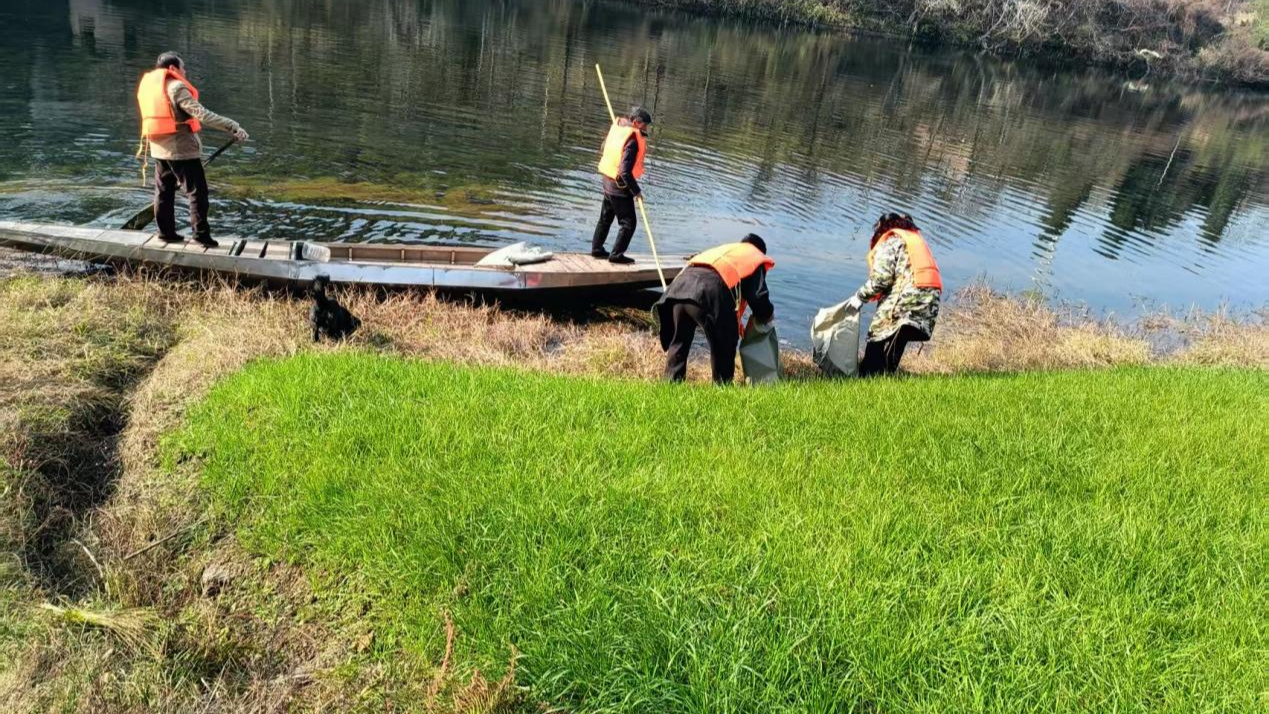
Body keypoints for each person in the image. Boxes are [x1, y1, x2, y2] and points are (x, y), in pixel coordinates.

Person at [136, 51, 248, 247]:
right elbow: (202, 114)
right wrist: (233, 126)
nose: (184, 71)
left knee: (164, 191)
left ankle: (165, 233)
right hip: (181, 150)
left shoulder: (149, 86)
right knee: (198, 193)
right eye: (183, 67)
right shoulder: (177, 87)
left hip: (158, 148)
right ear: (172, 68)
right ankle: (201, 236)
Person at [655, 234, 775, 384]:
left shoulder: (727, 251)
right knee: (723, 347)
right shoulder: (755, 256)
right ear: (760, 251)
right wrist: (767, 315)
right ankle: (722, 390)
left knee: (678, 342)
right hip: (709, 291)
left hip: (678, 288)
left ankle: (670, 385)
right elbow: (758, 297)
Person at [844, 213, 943, 376]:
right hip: (930, 301)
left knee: (878, 334)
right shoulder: (915, 240)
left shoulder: (891, 241)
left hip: (907, 298)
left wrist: (859, 297)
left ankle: (868, 375)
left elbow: (881, 279)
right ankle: (885, 375)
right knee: (899, 335)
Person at [591, 107, 652, 265]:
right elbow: (625, 172)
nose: (646, 129)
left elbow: (604, 148)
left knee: (605, 218)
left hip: (607, 181)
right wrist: (636, 191)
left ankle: (597, 249)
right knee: (628, 223)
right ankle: (616, 255)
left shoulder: (619, 131)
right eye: (644, 125)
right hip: (618, 187)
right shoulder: (632, 141)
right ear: (636, 122)